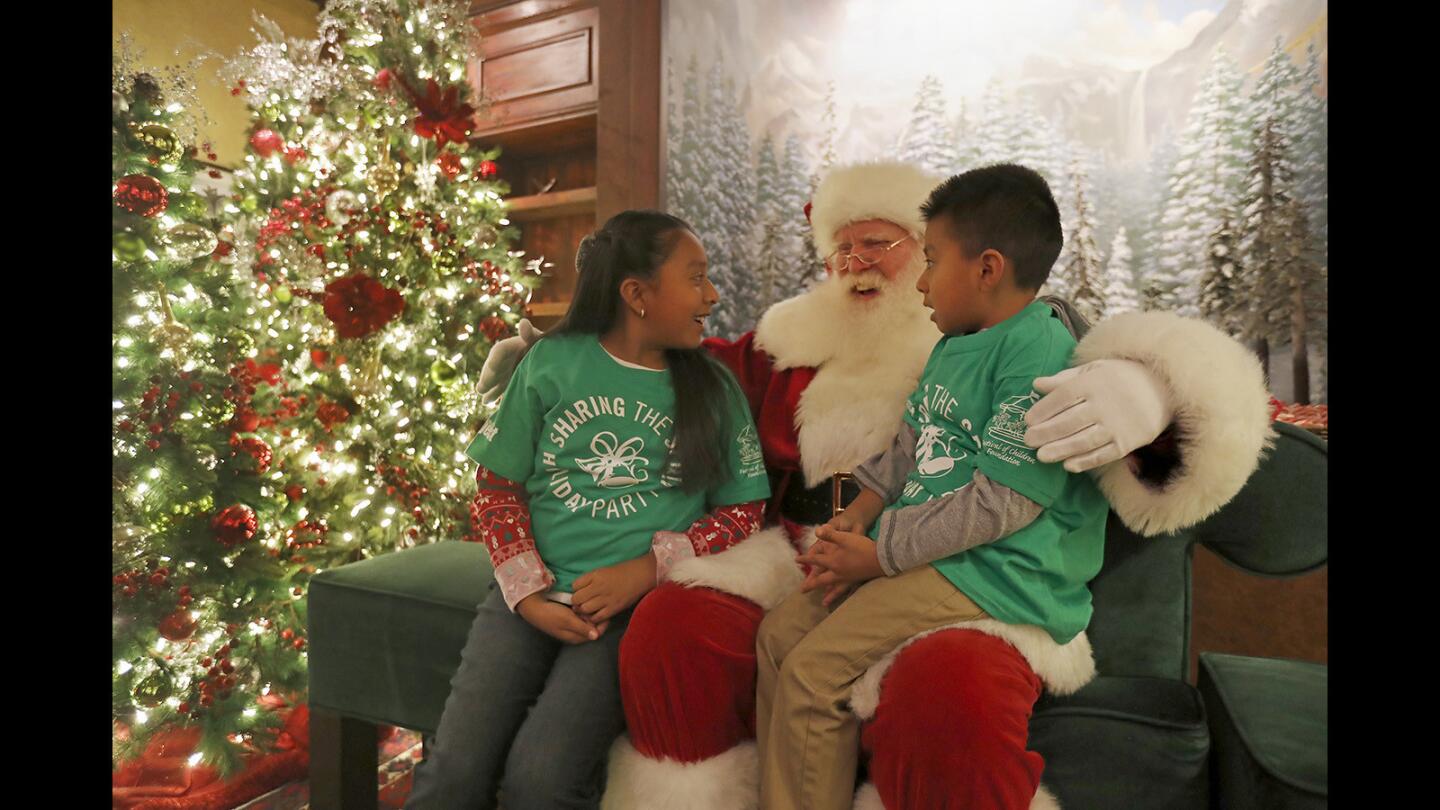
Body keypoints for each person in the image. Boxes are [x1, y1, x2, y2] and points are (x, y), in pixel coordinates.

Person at [480, 161, 1272, 810]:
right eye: (841, 248)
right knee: (681, 630)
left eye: (885, 245)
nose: (859, 262)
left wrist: (1152, 391)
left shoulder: (1008, 334)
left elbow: (1089, 406)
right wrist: (550, 356)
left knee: (940, 691)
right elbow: (664, 364)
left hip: (967, 571)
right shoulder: (796, 342)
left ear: (946, 255)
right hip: (813, 551)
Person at [756, 164, 1110, 810]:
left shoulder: (1038, 352)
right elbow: (909, 447)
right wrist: (858, 515)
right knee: (778, 637)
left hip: (997, 570)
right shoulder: (954, 346)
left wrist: (878, 554)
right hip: (928, 553)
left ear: (988, 268)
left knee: (813, 671)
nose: (920, 281)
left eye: (932, 260)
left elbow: (1003, 503)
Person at [404, 210, 770, 810]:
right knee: (453, 775)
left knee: (540, 782)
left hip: (625, 619)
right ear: (637, 294)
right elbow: (497, 487)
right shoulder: (552, 363)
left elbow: (743, 510)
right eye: (696, 277)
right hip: (525, 602)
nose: (713, 293)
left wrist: (648, 571)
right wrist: (526, 594)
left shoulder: (713, 389)